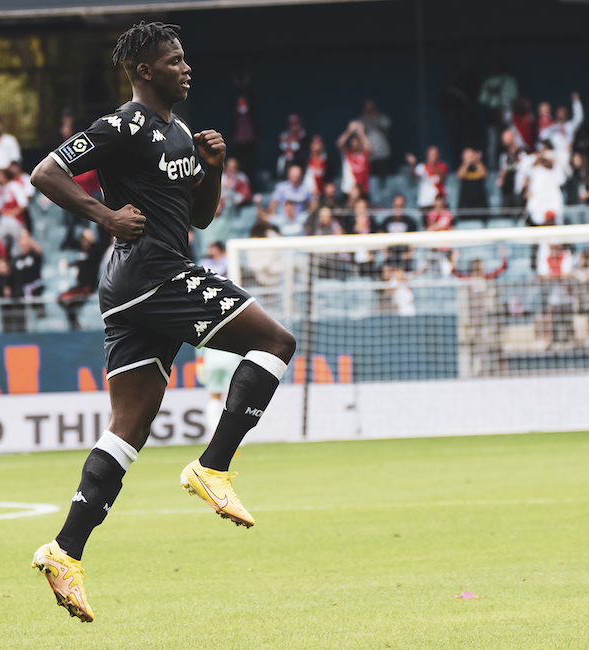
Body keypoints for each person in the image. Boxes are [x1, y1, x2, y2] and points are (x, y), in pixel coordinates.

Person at [28, 21, 296, 623]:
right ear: (145, 71)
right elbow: (45, 173)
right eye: (174, 61)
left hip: (137, 285)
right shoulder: (122, 125)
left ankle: (63, 553)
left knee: (128, 430)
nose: (186, 67)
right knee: (276, 341)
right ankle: (213, 466)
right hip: (152, 273)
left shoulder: (178, 132)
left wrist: (213, 168)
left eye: (184, 59)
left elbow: (200, 218)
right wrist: (105, 215)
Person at [478, 62, 518, 165]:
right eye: (493, 67)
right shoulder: (488, 81)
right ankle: (493, 167)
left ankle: (511, 164)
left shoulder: (509, 80)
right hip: (492, 113)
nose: (495, 68)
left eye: (497, 66)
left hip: (507, 112)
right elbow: (481, 100)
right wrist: (490, 93)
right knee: (492, 141)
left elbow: (515, 97)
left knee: (509, 139)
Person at [336, 121, 373, 196]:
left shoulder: (365, 154)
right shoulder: (347, 153)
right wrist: (349, 131)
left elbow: (370, 149)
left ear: (360, 142)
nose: (355, 143)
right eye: (353, 141)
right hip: (348, 189)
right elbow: (339, 144)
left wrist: (361, 133)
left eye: (357, 141)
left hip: (363, 190)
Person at [359, 100, 392, 179]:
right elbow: (356, 130)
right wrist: (365, 117)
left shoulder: (382, 118)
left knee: (383, 178)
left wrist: (375, 116)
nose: (369, 109)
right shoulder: (361, 119)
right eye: (367, 107)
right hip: (368, 154)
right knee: (370, 178)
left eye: (371, 107)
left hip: (382, 153)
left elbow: (388, 124)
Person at [456, 148, 489, 218]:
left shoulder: (479, 165)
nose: (470, 158)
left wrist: (477, 161)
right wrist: (466, 163)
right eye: (467, 156)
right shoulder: (462, 167)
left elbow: (484, 175)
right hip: (465, 202)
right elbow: (459, 176)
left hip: (479, 201)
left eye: (471, 156)